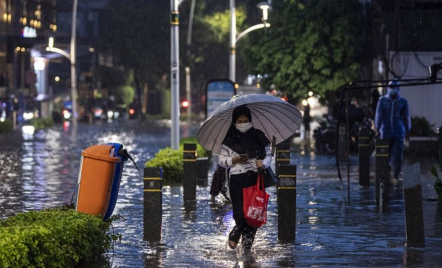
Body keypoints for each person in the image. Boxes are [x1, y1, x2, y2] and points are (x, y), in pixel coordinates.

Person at [218, 105, 272, 251]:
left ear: (250, 120)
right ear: (235, 122)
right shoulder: (229, 139)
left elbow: (269, 156)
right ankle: (236, 232)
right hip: (236, 179)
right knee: (240, 213)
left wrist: (263, 163)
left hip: (256, 178)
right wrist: (233, 160)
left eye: (246, 120)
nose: (243, 123)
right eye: (239, 121)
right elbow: (221, 161)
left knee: (254, 212)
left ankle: (247, 241)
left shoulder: (259, 136)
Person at [375, 80, 411, 184]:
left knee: (397, 155)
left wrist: (408, 131)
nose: (392, 89)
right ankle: (385, 174)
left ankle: (396, 175)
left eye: (394, 87)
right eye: (391, 87)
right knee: (385, 155)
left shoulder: (403, 102)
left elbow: (406, 117)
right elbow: (379, 115)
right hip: (385, 132)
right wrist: (377, 128)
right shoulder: (382, 101)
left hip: (398, 132)